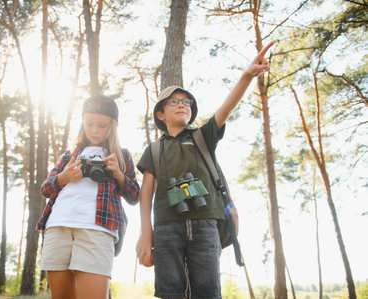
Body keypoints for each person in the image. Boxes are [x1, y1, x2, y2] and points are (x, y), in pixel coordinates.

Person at [136, 41, 274, 299]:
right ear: (160, 113)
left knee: (208, 291)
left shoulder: (202, 136)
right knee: (169, 292)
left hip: (207, 223)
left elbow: (226, 108)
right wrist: (146, 234)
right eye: (175, 101)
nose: (183, 105)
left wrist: (246, 76)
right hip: (166, 227)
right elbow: (145, 195)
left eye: (187, 102)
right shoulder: (154, 150)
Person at [36, 94, 140, 299]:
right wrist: (64, 177)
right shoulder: (68, 155)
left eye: (101, 125)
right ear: (82, 122)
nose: (94, 129)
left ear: (113, 126)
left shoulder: (122, 155)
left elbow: (135, 196)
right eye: (89, 123)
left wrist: (118, 173)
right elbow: (45, 189)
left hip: (98, 228)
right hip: (58, 225)